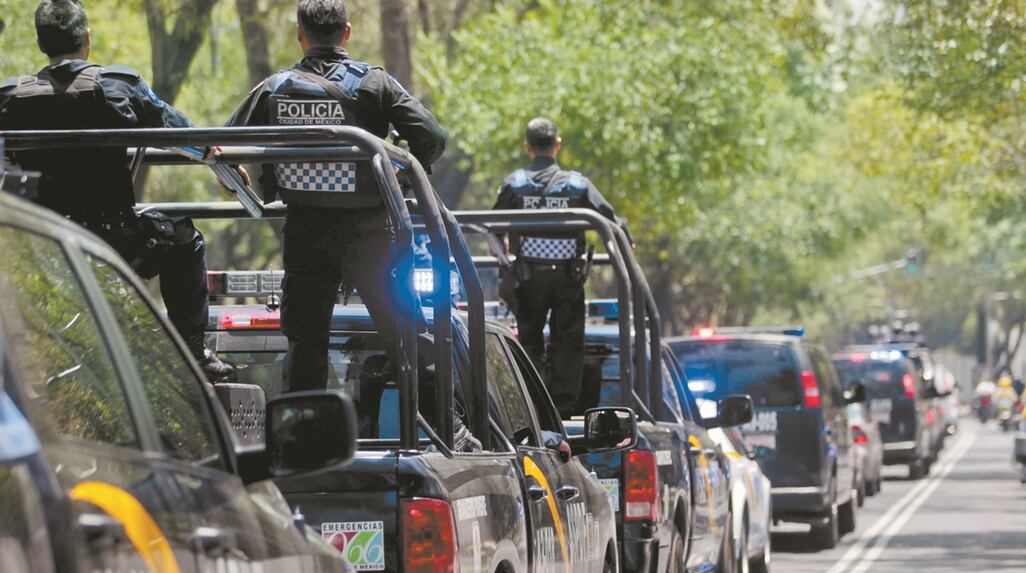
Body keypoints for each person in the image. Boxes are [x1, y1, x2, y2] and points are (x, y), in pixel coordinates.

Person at [0, 0, 233, 381]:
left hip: (42, 244)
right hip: (115, 240)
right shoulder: (118, 86)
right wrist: (220, 162)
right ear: (87, 39)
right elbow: (184, 136)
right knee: (185, 237)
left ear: (41, 43)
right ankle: (194, 357)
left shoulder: (11, 97)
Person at [226, 0, 445, 394]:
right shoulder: (374, 83)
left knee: (306, 340)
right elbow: (432, 136)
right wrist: (402, 177)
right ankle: (449, 429)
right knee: (405, 333)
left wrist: (234, 175)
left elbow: (224, 143)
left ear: (299, 35)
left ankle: (302, 438)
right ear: (346, 33)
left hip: (305, 231)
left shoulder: (274, 88)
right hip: (372, 233)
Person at [493, 117, 628, 417]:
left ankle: (531, 407)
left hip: (528, 280)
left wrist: (504, 263)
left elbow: (491, 229)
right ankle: (562, 410)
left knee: (528, 342)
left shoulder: (514, 184)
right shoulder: (578, 185)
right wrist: (625, 250)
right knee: (567, 343)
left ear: (528, 148)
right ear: (557, 145)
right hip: (568, 280)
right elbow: (612, 222)